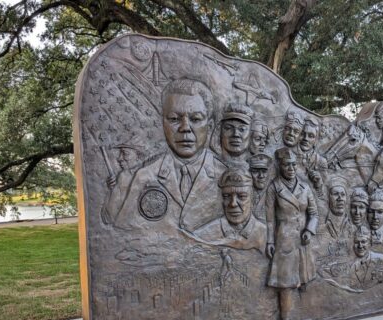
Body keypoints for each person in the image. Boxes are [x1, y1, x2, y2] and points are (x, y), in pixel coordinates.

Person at [112, 78, 227, 231]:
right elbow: (121, 235)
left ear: (210, 126)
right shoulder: (144, 177)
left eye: (195, 119)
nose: (185, 128)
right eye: (174, 119)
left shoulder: (226, 177)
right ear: (163, 124)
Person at [266, 147, 318, 320]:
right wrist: (270, 241)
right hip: (285, 240)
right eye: (287, 164)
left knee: (303, 281)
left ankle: (300, 315)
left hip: (302, 242)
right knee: (286, 283)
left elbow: (314, 213)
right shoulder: (274, 188)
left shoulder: (305, 187)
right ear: (279, 166)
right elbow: (269, 218)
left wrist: (309, 229)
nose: (291, 168)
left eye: (293, 164)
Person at [192, 168, 266, 251]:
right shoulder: (202, 235)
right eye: (226, 196)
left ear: (253, 200)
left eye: (241, 196)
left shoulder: (266, 235)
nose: (233, 204)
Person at [298, 117, 328, 197]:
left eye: (310, 136)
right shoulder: (289, 155)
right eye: (303, 134)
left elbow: (322, 195)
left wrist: (318, 183)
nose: (305, 139)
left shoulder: (321, 161)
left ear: (316, 140)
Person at [247, 153, 273, 221]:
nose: (261, 176)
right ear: (249, 173)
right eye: (255, 172)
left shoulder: (274, 192)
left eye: (264, 171)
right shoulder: (243, 193)